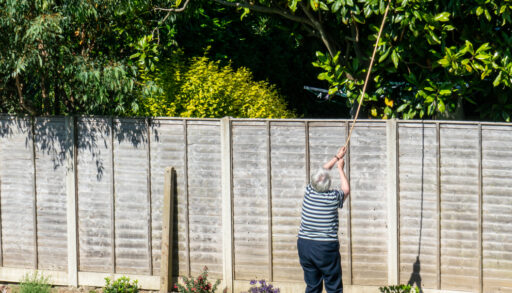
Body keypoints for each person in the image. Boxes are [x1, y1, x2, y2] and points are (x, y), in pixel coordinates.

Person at [297, 146, 350, 293]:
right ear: (328, 185)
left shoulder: (309, 191)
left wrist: (336, 157)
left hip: (305, 245)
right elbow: (346, 190)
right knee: (333, 287)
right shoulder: (333, 197)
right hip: (325, 247)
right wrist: (340, 168)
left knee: (312, 286)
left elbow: (321, 171)